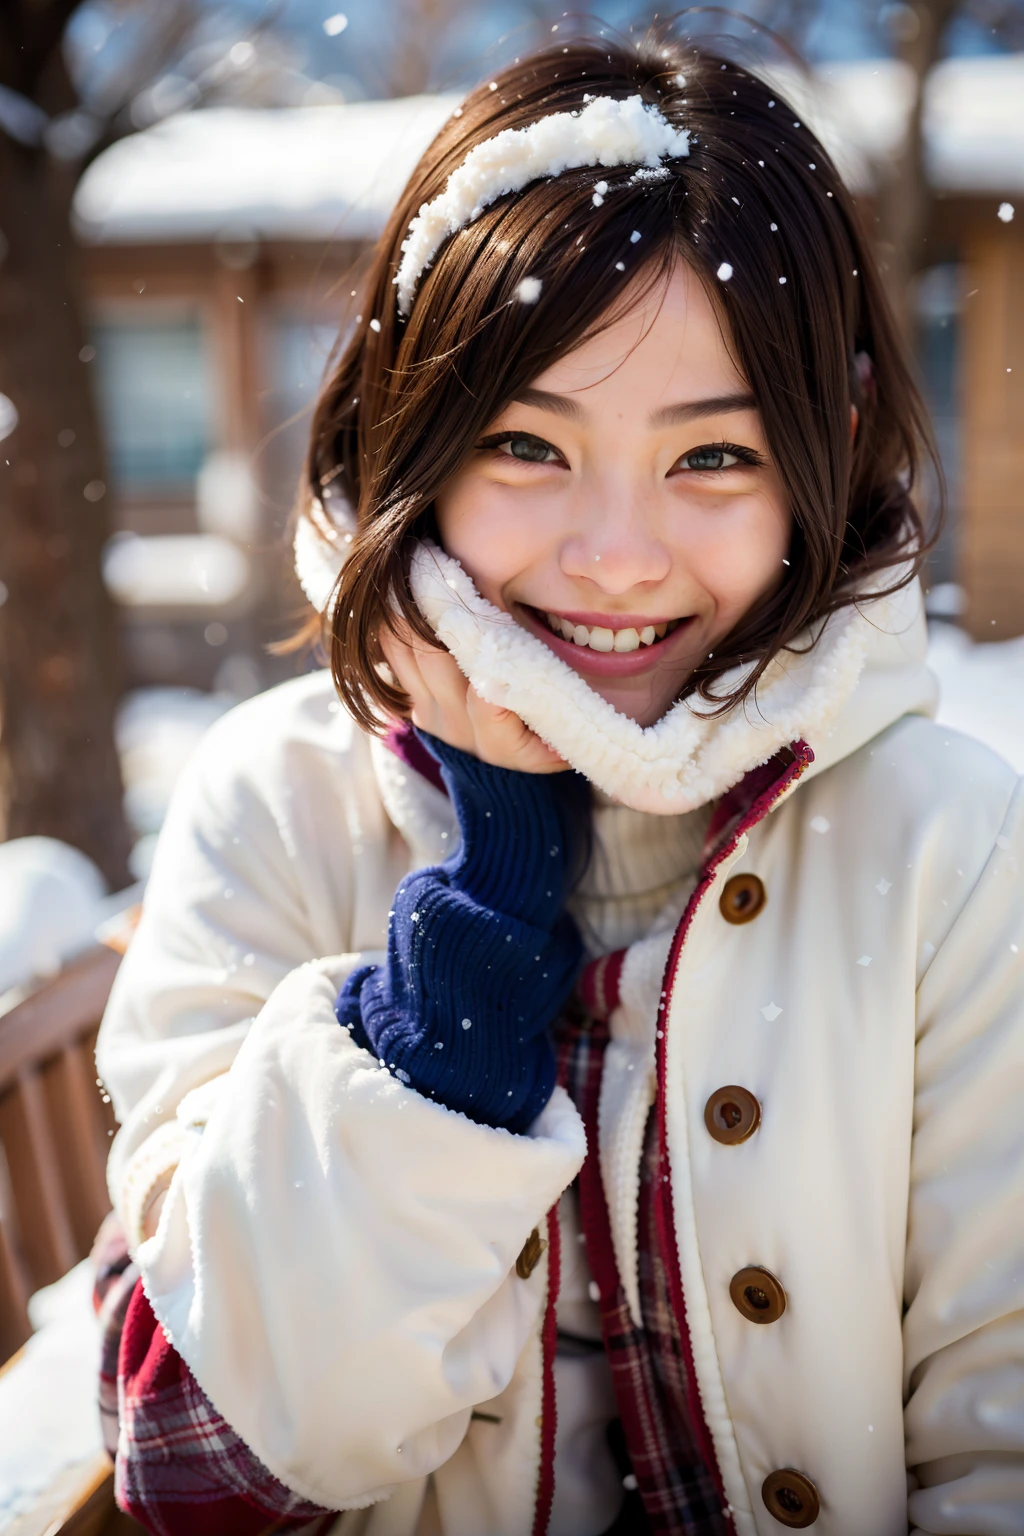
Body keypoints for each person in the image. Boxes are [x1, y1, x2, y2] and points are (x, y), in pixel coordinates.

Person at [94, 29, 1024, 1536]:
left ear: (830, 450)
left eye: (711, 458)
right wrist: (470, 940)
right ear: (414, 435)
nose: (613, 555)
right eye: (529, 442)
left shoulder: (954, 846)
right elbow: (201, 1468)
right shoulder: (275, 805)